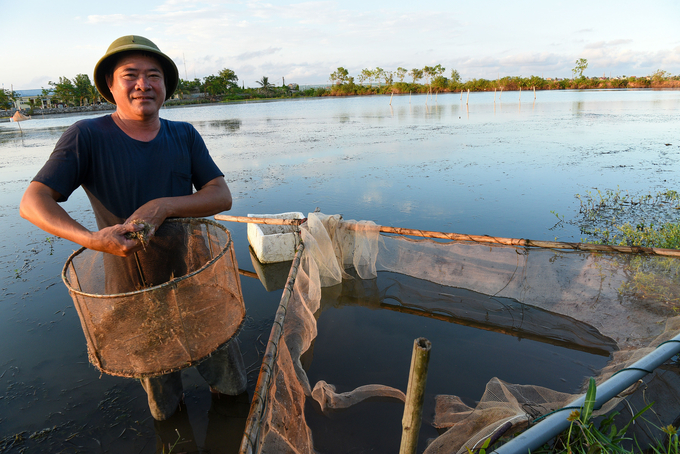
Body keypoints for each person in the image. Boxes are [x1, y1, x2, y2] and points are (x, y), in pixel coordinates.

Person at [19, 35, 247, 421]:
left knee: (231, 385)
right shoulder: (86, 136)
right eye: (131, 75)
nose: (144, 84)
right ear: (111, 85)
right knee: (165, 405)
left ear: (165, 86)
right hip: (133, 293)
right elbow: (32, 202)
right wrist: (93, 240)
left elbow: (220, 195)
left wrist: (163, 205)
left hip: (197, 280)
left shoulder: (184, 134)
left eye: (153, 75)